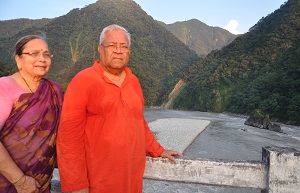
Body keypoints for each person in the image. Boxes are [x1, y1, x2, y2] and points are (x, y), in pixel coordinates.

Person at [57, 24, 183, 193]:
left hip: (132, 181)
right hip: (97, 183)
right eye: (112, 45)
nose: (118, 50)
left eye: (123, 46)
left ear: (129, 52)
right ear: (100, 49)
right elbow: (68, 138)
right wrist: (76, 185)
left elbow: (138, 122)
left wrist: (158, 149)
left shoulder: (134, 82)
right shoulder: (83, 81)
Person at [0, 34, 63, 193]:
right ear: (18, 59)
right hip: (9, 183)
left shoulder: (54, 90)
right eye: (34, 53)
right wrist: (20, 181)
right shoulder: (5, 86)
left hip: (41, 183)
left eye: (46, 54)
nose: (42, 59)